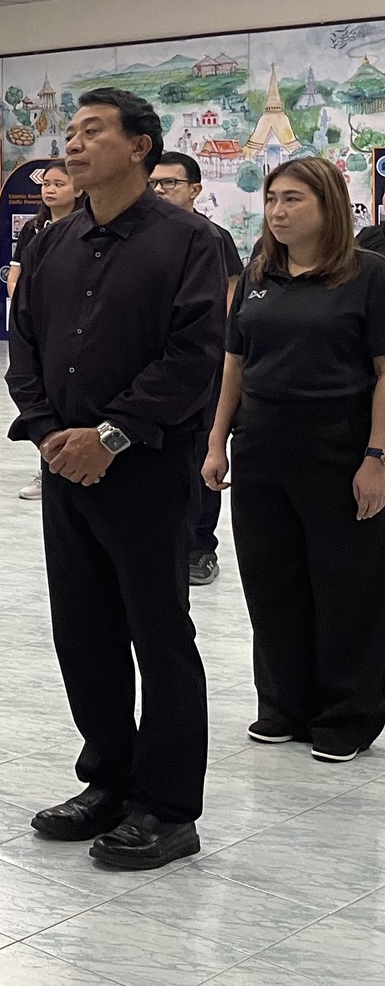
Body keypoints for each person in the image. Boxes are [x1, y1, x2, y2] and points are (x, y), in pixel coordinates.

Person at [8, 87, 227, 872]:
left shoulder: (191, 242)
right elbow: (24, 346)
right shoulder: (53, 243)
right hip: (64, 465)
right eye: (70, 131)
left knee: (159, 633)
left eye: (91, 131)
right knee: (84, 630)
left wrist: (109, 435)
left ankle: (167, 807)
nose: (72, 144)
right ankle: (108, 778)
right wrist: (47, 432)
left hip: (147, 469)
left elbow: (193, 357)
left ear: (139, 145)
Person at [203, 155, 385, 763]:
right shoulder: (260, 271)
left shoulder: (369, 275)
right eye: (272, 199)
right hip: (261, 447)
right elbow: (234, 363)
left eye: (292, 200)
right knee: (271, 581)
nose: (277, 212)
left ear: (327, 205)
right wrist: (216, 441)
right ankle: (283, 704)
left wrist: (377, 457)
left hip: (340, 449)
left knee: (345, 587)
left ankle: (347, 714)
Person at [151, 150, 247, 586]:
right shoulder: (142, 236)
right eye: (153, 183)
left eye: (169, 183)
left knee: (202, 455)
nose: (159, 190)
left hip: (204, 366)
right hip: (153, 367)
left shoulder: (213, 237)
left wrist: (221, 354)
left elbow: (230, 298)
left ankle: (201, 547)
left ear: (194, 189)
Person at [10, 160, 78, 501]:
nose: (49, 190)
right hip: (40, 324)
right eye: (46, 184)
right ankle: (47, 467)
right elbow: (16, 274)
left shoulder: (89, 227)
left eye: (58, 184)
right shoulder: (33, 229)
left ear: (78, 189)